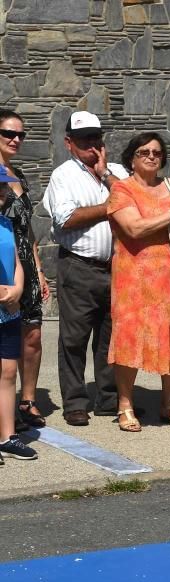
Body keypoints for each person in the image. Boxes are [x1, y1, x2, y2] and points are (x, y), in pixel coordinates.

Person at [106, 133, 170, 431]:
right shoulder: (122, 189)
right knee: (129, 339)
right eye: (144, 152)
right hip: (133, 276)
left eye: (157, 152)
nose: (151, 156)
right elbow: (133, 228)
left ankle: (169, 402)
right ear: (131, 158)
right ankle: (125, 404)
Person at [42, 111, 129, 427]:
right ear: (69, 143)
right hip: (79, 266)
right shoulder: (63, 176)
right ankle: (75, 403)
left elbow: (132, 199)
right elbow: (65, 218)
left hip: (116, 267)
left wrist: (105, 174)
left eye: (96, 137)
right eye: (84, 139)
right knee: (74, 339)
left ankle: (107, 399)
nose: (92, 144)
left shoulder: (114, 171)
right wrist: (110, 208)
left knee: (110, 338)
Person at [0, 110, 48, 430]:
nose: (16, 139)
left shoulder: (19, 175)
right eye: (9, 133)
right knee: (7, 340)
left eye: (21, 135)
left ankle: (27, 400)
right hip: (4, 264)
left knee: (32, 335)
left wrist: (40, 270)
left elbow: (28, 228)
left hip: (26, 265)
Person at [0, 164, 33, 462]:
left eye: (3, 188)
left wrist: (18, 290)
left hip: (9, 309)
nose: (1, 193)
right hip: (3, 301)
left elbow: (17, 261)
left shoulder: (6, 223)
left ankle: (8, 436)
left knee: (8, 373)